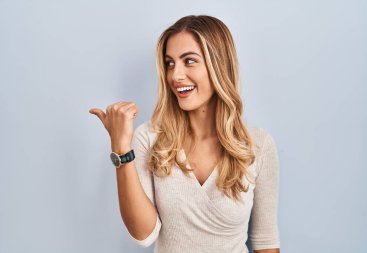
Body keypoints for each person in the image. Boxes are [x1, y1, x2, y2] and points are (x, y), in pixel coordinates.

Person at [89, 14, 280, 253]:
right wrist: (120, 149)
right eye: (170, 63)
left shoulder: (258, 145)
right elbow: (143, 234)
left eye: (189, 61)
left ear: (218, 65)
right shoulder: (150, 138)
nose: (175, 76)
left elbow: (266, 241)